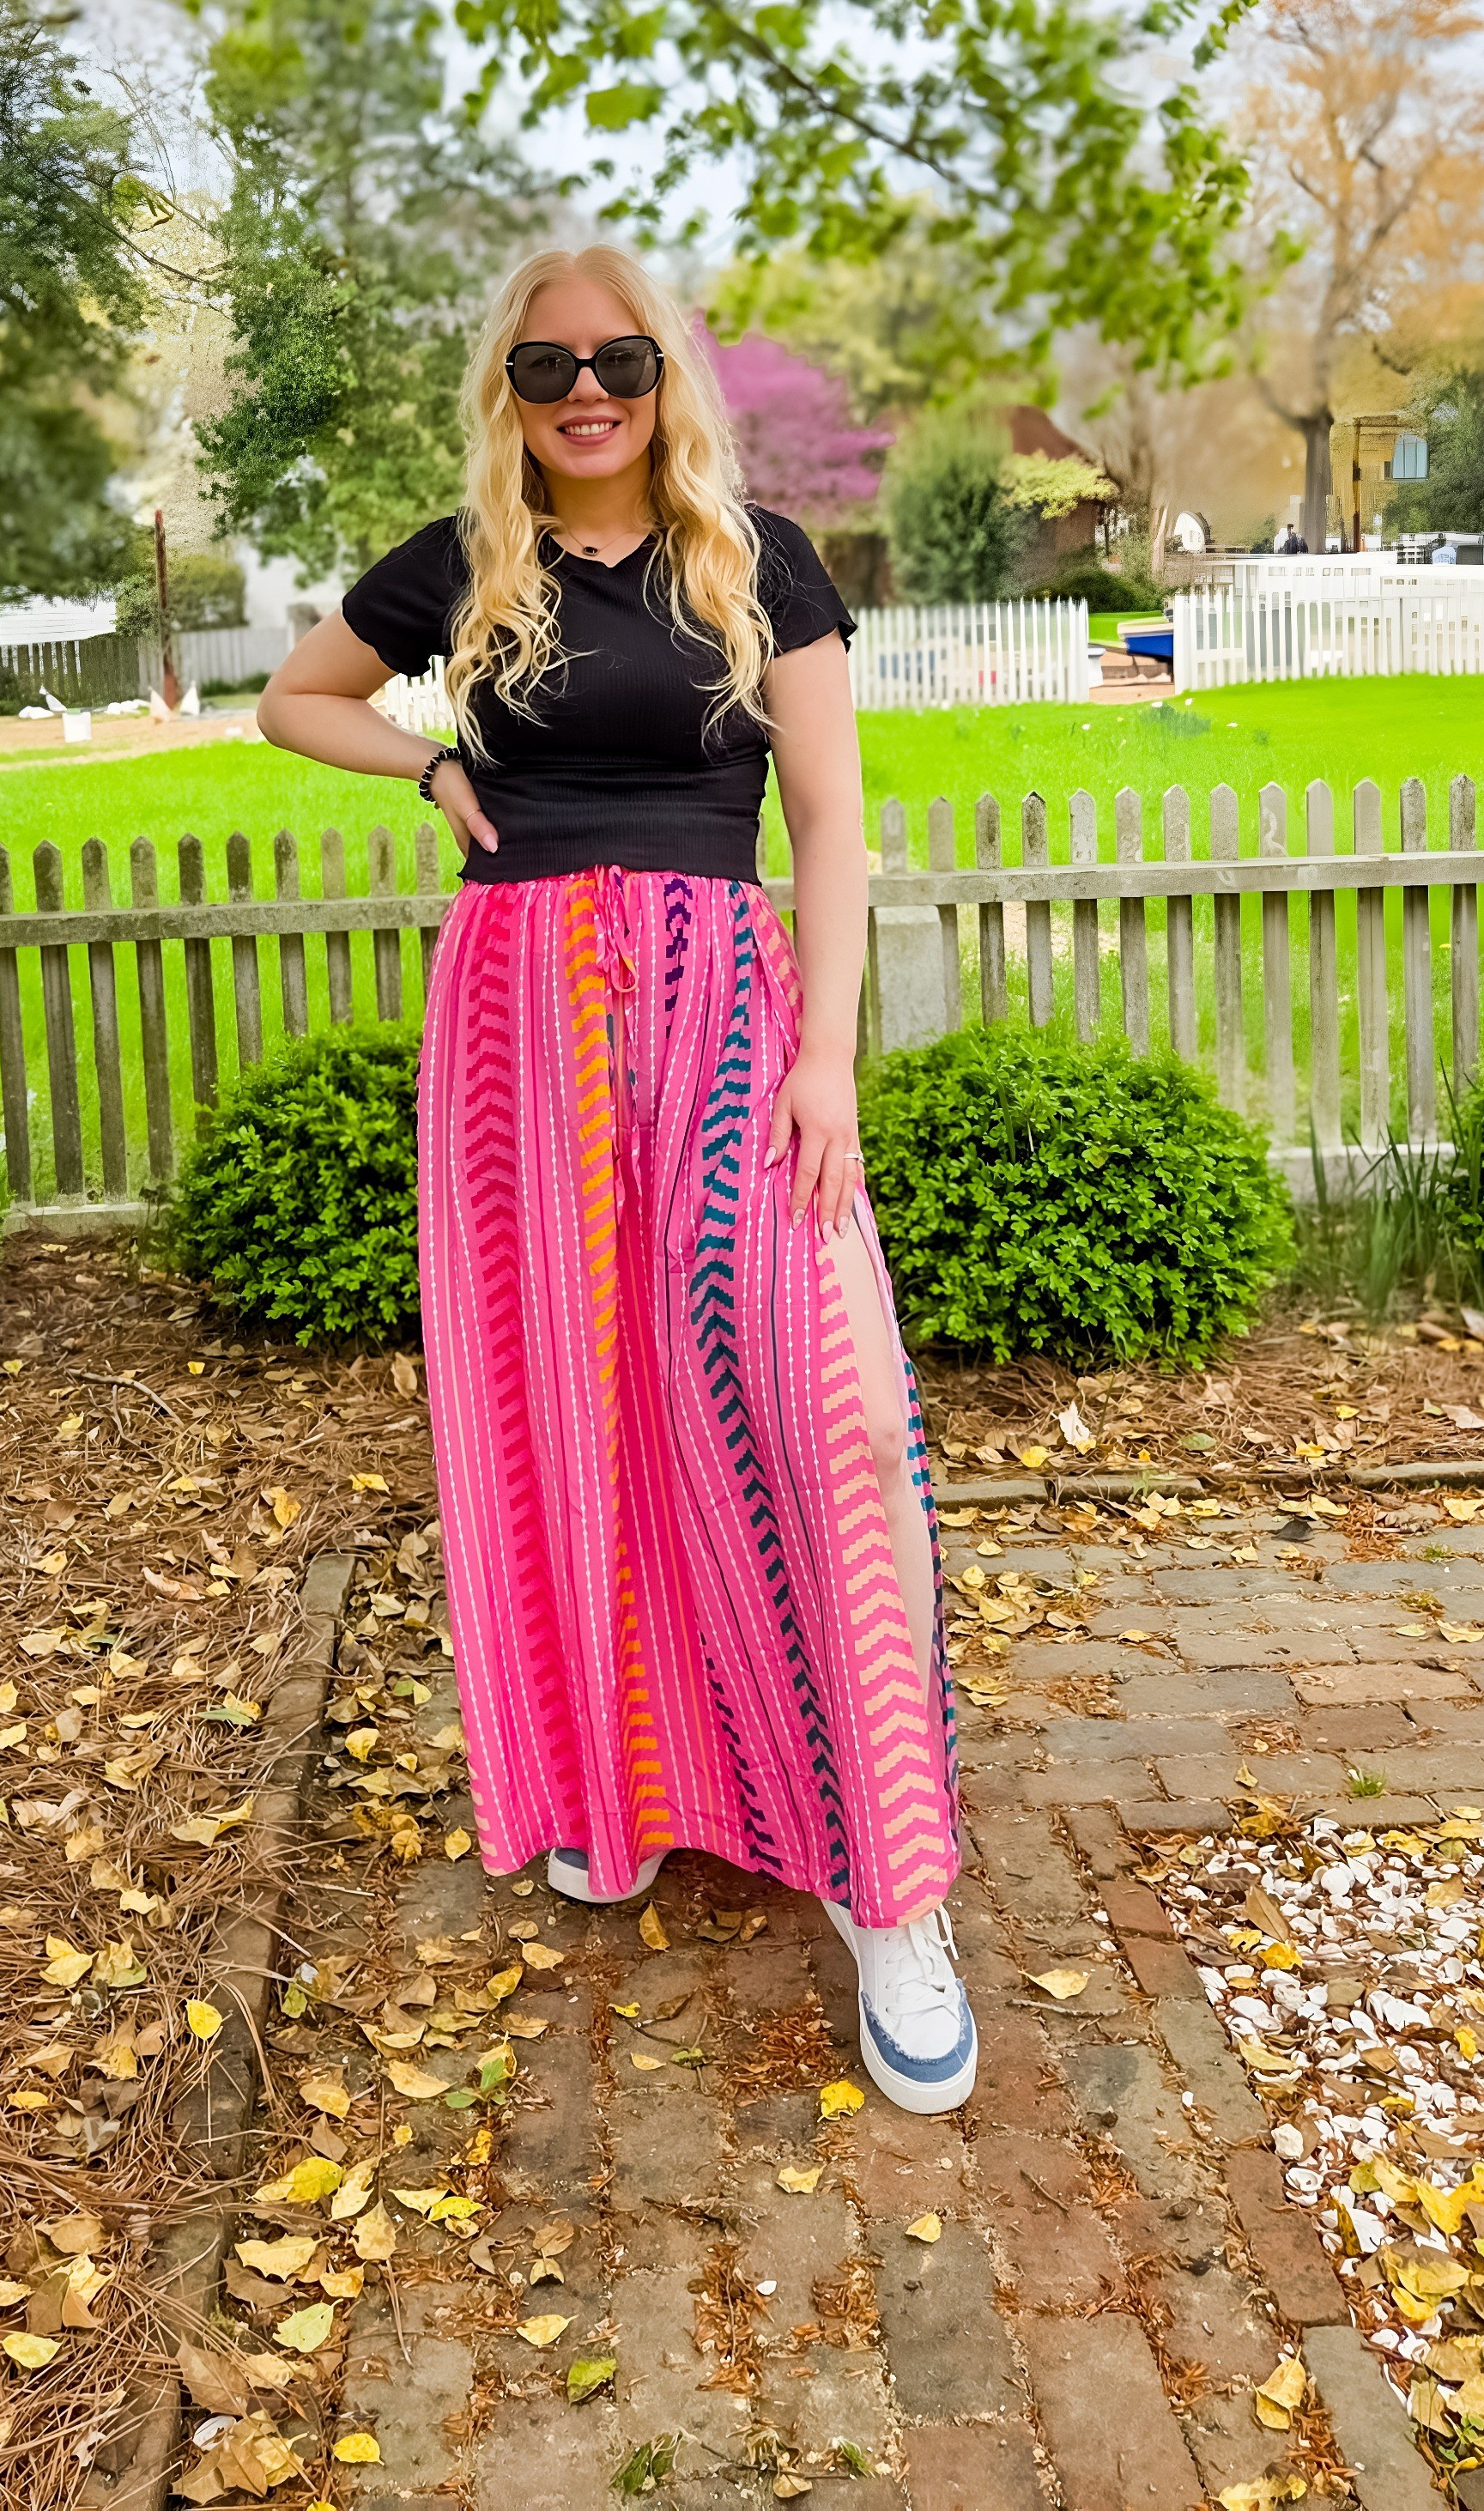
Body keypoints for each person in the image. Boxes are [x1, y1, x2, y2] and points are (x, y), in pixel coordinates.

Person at [257, 247, 974, 2114]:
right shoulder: (464, 564)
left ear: (668, 378)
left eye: (621, 360)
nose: (588, 391)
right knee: (570, 1412)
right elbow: (292, 699)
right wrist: (429, 767)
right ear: (509, 385)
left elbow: (830, 815)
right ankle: (620, 1778)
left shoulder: (758, 556)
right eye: (550, 364)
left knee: (813, 1396)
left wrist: (826, 1056)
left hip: (724, 997)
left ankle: (893, 1890)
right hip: (519, 1019)